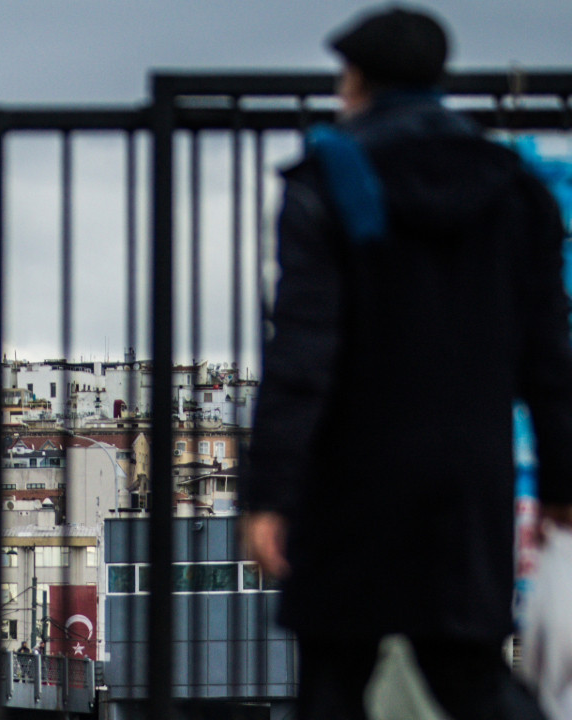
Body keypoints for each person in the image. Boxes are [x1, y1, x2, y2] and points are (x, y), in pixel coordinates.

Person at [242, 6, 572, 719]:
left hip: (353, 474)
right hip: (467, 475)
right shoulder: (513, 189)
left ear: (356, 78)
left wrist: (269, 492)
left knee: (333, 677)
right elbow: (549, 355)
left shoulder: (331, 173)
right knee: (471, 676)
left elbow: (303, 349)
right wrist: (560, 483)